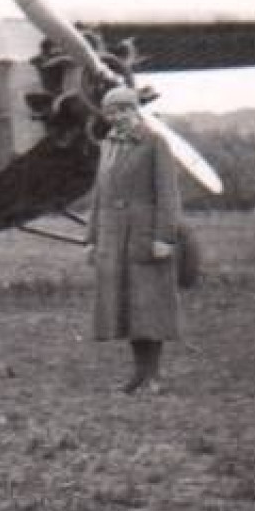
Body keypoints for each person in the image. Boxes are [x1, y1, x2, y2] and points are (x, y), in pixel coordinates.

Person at [86, 84, 183, 393]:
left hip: (144, 236)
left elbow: (168, 194)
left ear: (133, 110)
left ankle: (154, 375)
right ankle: (139, 374)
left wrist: (164, 237)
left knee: (149, 307)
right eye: (110, 113)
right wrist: (92, 238)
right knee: (126, 308)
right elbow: (100, 195)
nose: (115, 119)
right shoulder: (108, 146)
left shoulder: (156, 143)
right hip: (114, 238)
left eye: (120, 111)